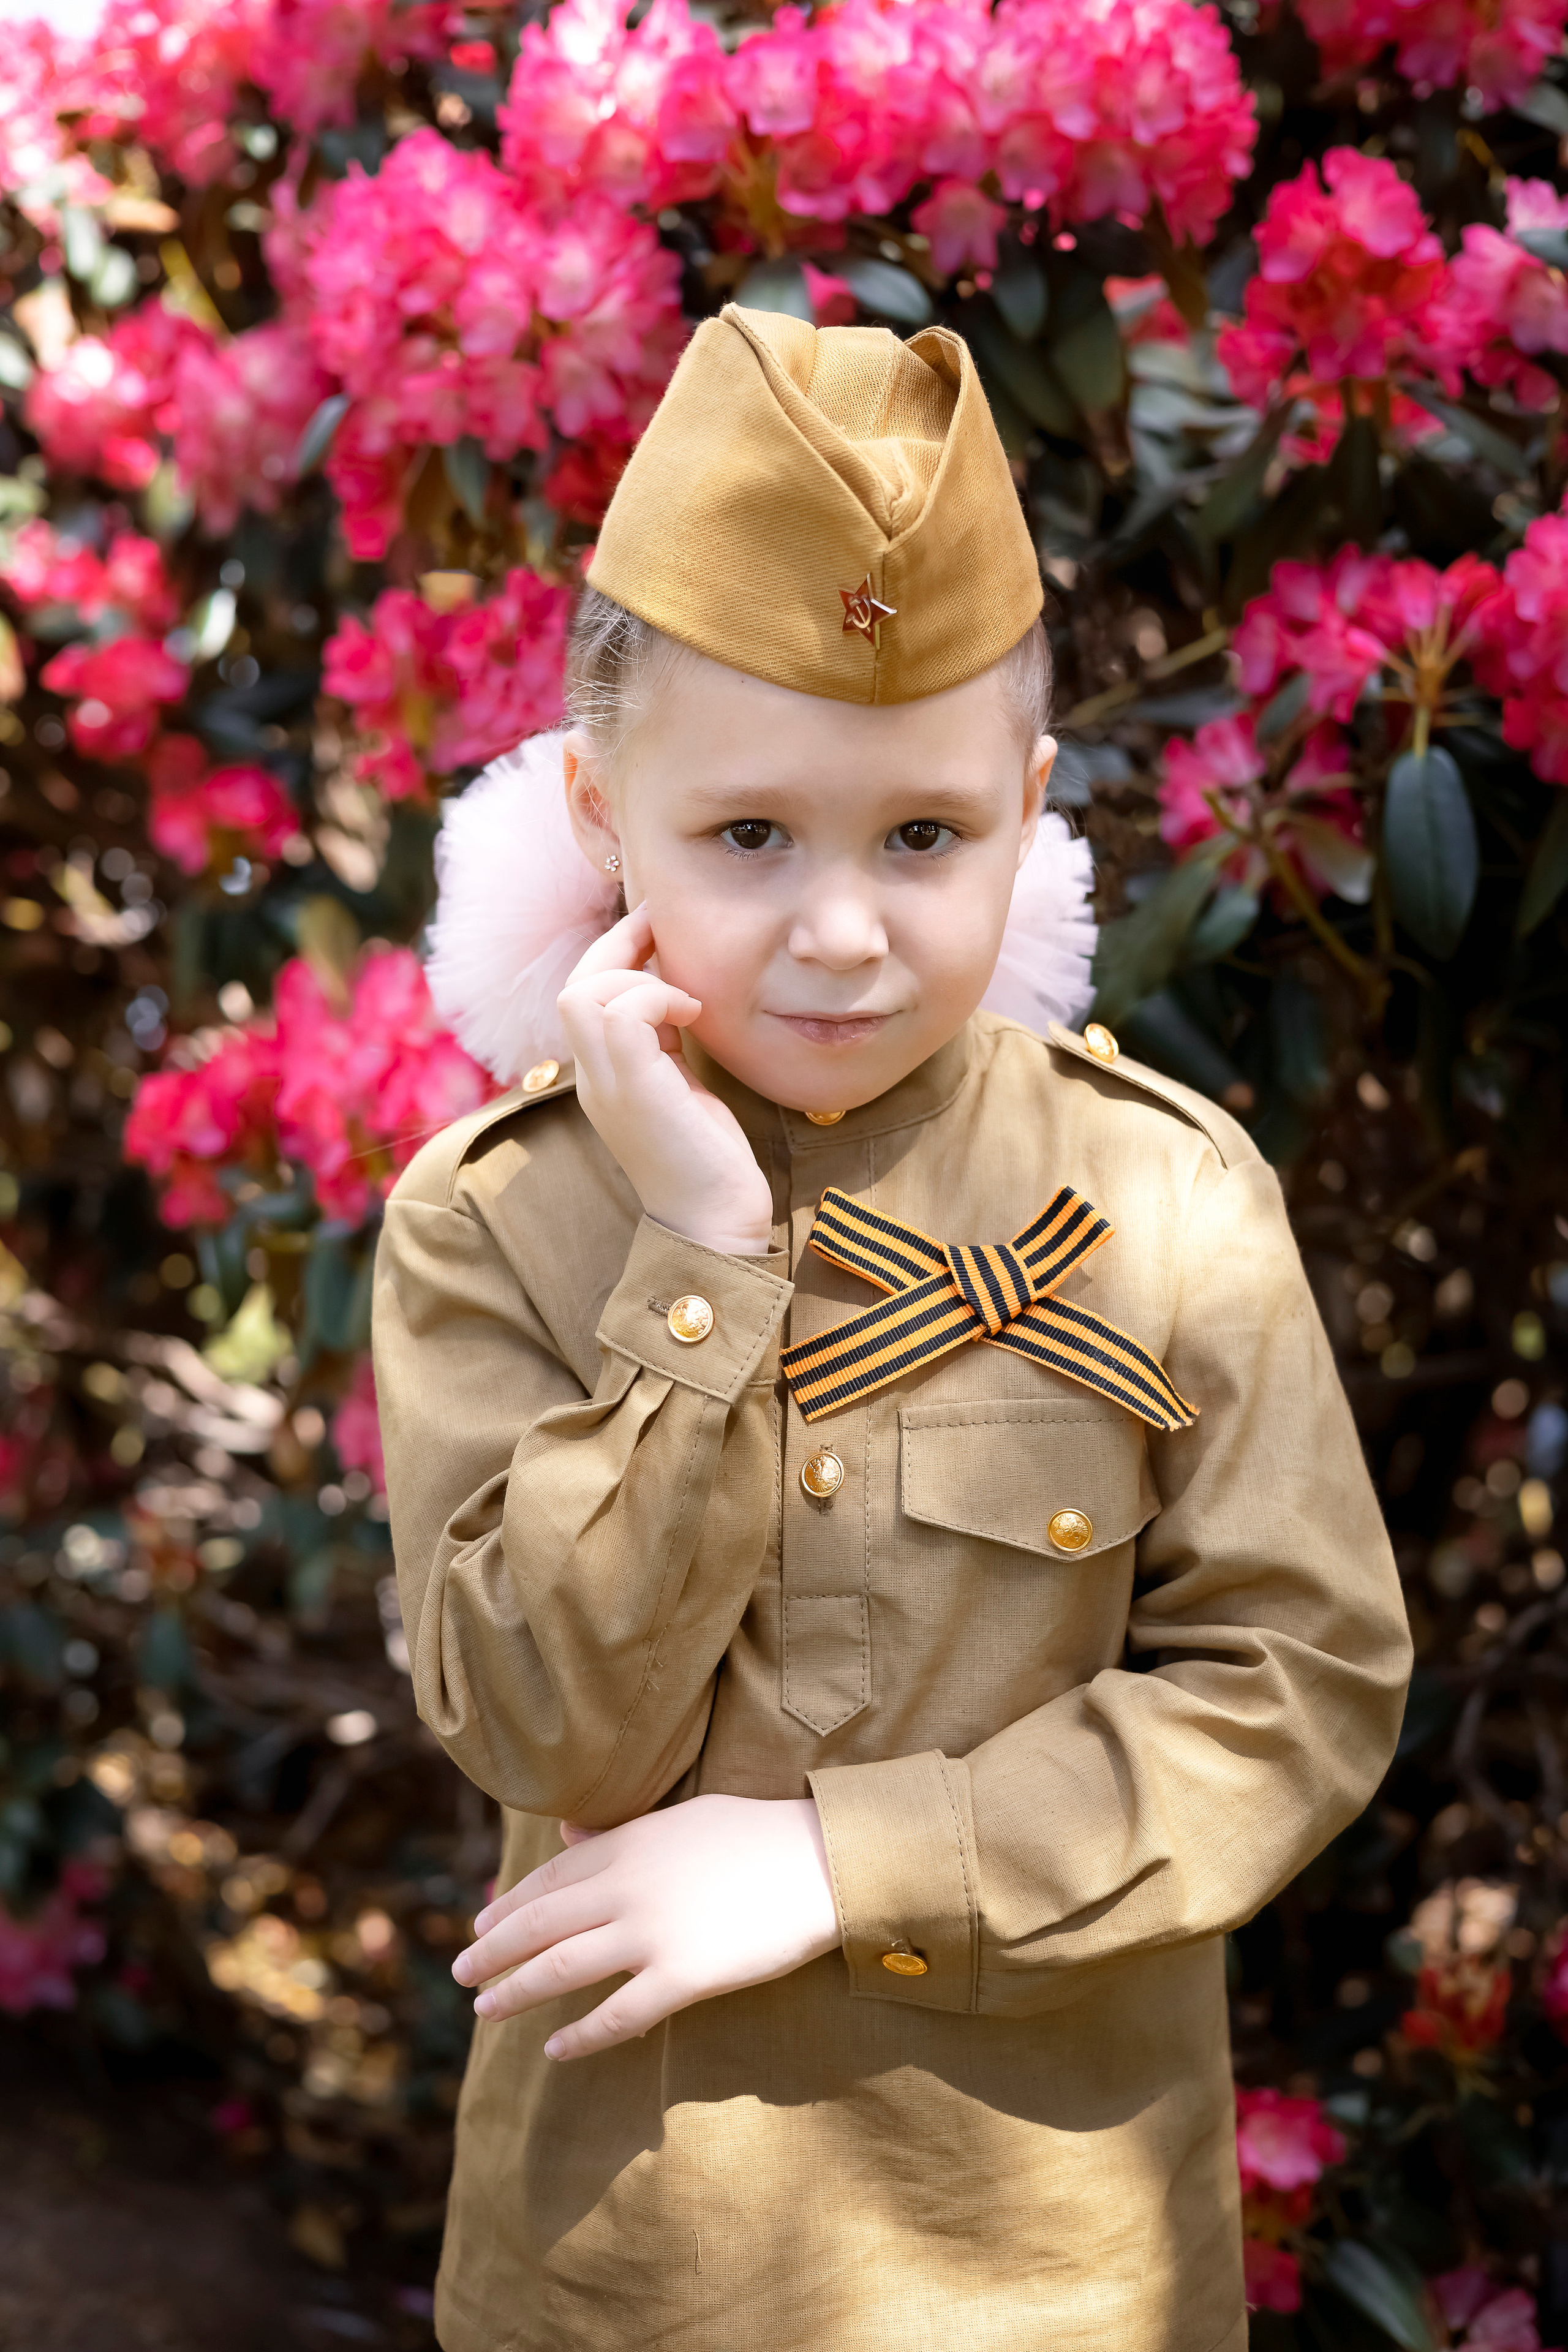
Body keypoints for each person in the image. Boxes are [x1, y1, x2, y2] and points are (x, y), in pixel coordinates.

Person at [372, 304, 1412, 2352]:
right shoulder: (496, 1221)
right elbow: (543, 1728)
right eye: (749, 835)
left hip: (1058, 2274)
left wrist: (851, 1863)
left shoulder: (1164, 1197)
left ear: (1029, 803)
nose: (842, 931)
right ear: (599, 814)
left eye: (923, 836)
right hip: (631, 2274)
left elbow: (1300, 1685)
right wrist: (698, 1253)